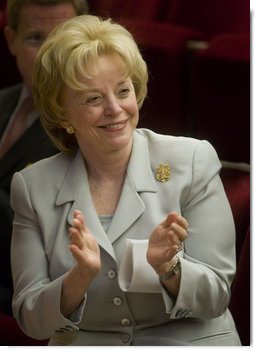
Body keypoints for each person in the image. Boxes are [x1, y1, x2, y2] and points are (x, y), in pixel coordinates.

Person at [10, 14, 241, 346]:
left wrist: (169, 268)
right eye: (93, 98)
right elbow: (31, 319)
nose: (115, 109)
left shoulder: (192, 161)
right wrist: (79, 278)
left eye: (123, 90)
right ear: (62, 112)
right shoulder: (32, 187)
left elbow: (217, 295)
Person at [0, 0, 89, 316]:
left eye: (61, 38)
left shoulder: (91, 129)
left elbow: (60, 241)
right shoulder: (3, 100)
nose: (48, 56)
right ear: (11, 39)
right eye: (35, 38)